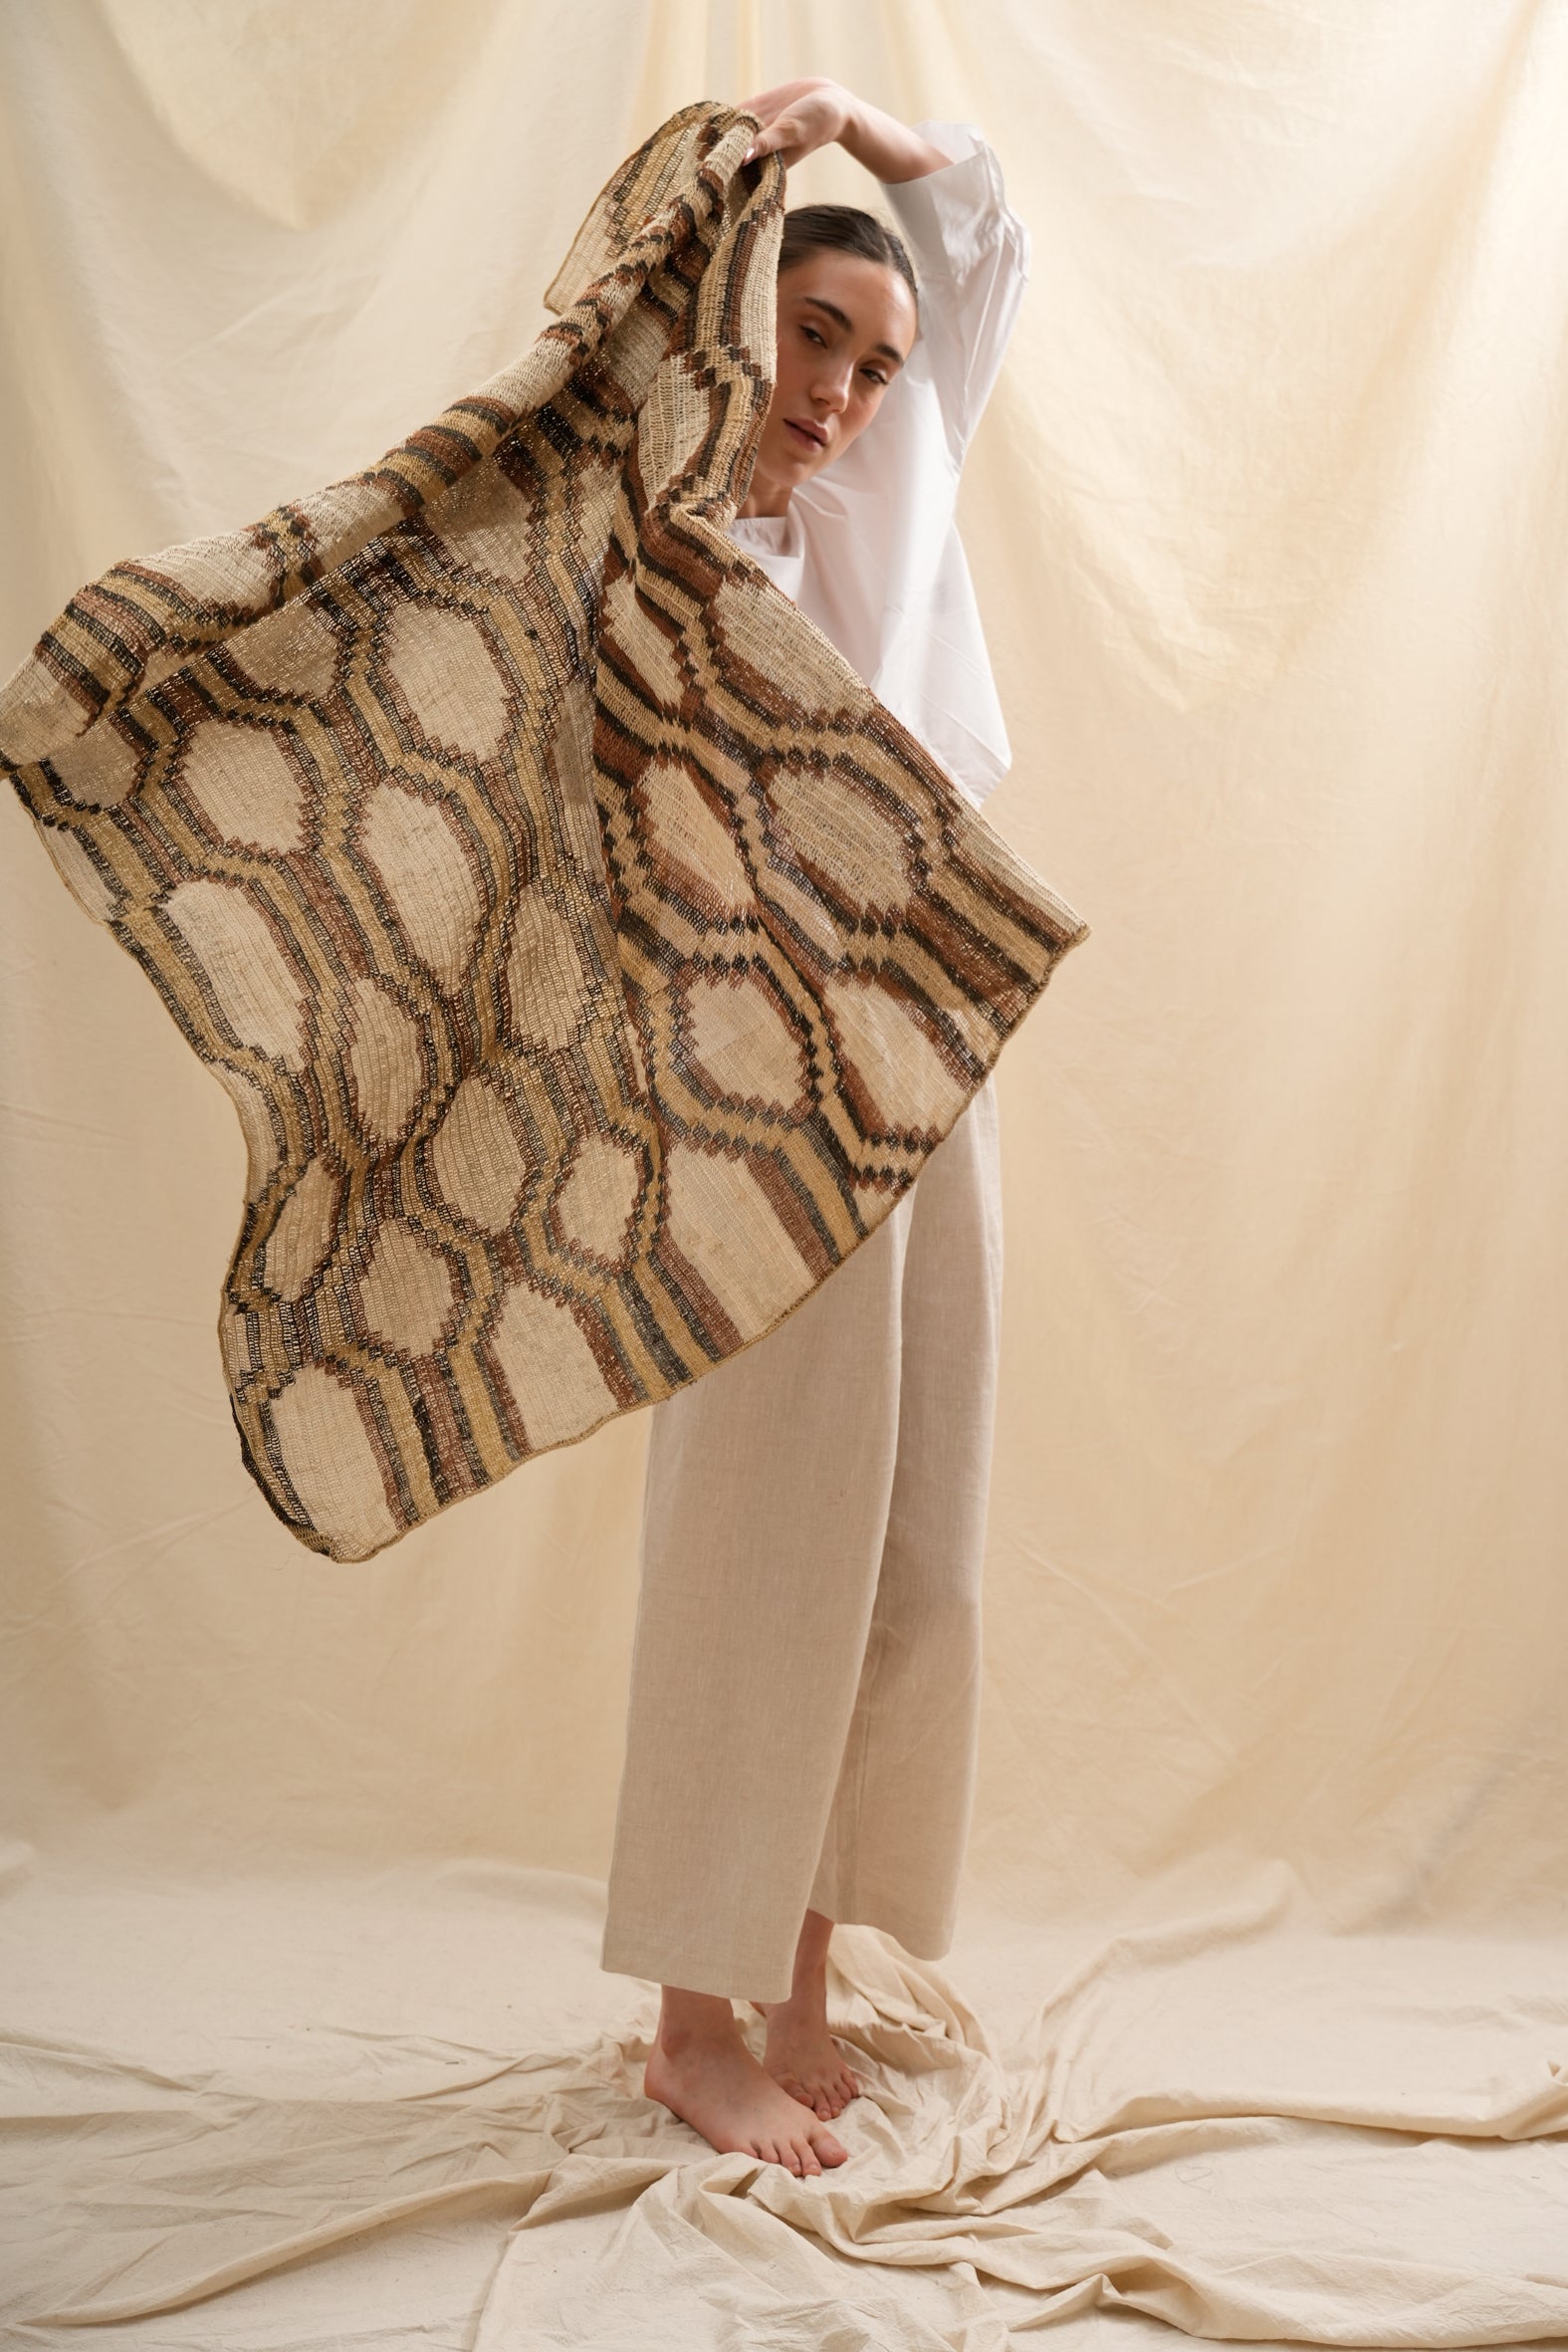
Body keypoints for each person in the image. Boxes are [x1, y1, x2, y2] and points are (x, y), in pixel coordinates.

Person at [599, 77, 1030, 2178]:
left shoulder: (888, 488)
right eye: (809, 341)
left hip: (927, 1034)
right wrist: (739, 183)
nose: (843, 393)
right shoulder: (652, 532)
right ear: (732, 327)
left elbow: (983, 248)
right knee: (762, 1536)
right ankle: (689, 2021)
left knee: (910, 1537)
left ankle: (795, 1978)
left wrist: (858, 126)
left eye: (872, 360)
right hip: (746, 1079)